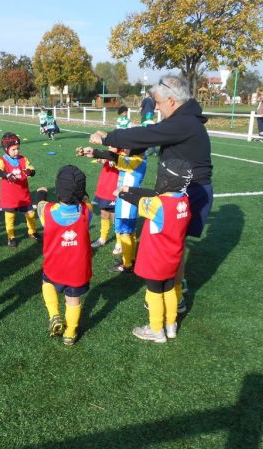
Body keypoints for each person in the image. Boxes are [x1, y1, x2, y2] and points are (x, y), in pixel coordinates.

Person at [89, 74, 213, 312]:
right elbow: (148, 138)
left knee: (168, 245)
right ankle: (177, 286)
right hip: (190, 189)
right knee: (175, 244)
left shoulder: (183, 122)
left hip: (188, 191)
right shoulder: (186, 118)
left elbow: (148, 135)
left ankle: (173, 300)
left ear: (173, 102)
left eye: (158, 102)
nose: (155, 106)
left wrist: (109, 138)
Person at [115, 159, 193, 343]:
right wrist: (130, 189)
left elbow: (142, 201)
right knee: (170, 290)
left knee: (154, 293)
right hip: (173, 258)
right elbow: (153, 195)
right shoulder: (184, 200)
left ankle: (156, 330)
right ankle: (171, 326)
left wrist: (122, 194)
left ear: (166, 180)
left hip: (155, 259)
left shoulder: (158, 205)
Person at [35, 165, 93, 346]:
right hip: (78, 269)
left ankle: (54, 315)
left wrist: (42, 192)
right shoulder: (86, 211)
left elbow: (40, 203)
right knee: (73, 301)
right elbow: (86, 199)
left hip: (55, 266)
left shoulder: (48, 212)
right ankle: (70, 334)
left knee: (47, 283)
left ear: (59, 189)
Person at [78, 146, 147, 272]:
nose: (125, 148)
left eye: (128, 146)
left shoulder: (134, 161)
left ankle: (127, 265)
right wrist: (94, 154)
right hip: (128, 199)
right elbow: (110, 159)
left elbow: (114, 158)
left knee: (125, 231)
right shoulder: (137, 159)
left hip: (127, 201)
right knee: (129, 231)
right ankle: (130, 259)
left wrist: (95, 151)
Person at [0, 132, 41, 247]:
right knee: (10, 216)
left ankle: (32, 232)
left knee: (31, 214)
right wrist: (7, 175)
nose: (17, 151)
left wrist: (30, 171)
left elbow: (31, 168)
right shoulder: (2, 160)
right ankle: (10, 237)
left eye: (18, 148)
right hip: (9, 196)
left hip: (23, 195)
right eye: (13, 149)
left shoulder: (23, 159)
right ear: (6, 149)